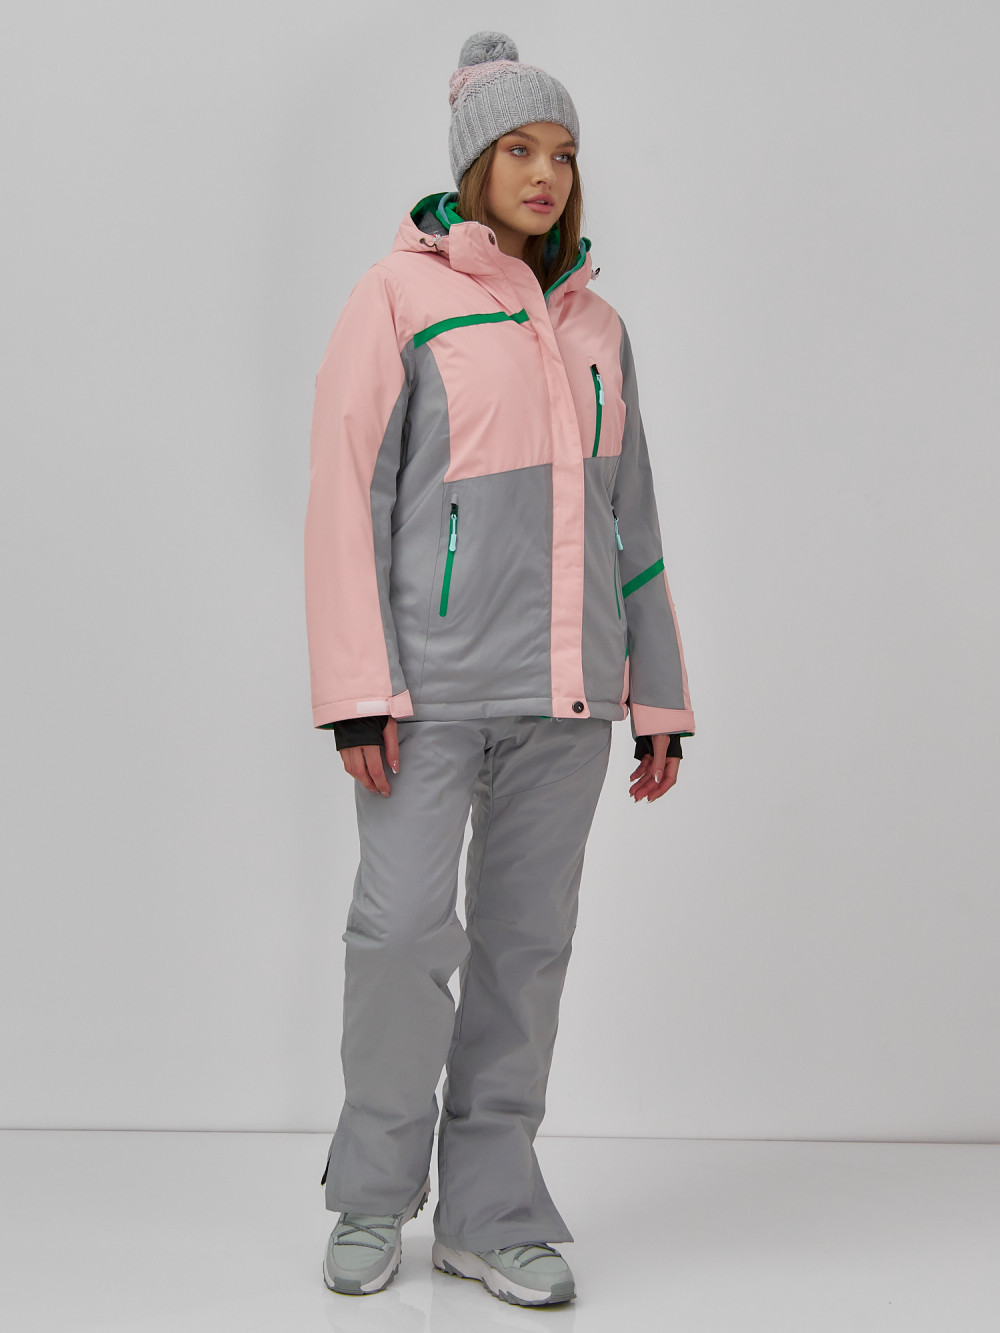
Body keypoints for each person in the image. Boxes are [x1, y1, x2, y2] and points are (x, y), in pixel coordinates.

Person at [303, 29, 695, 1307]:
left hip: (570, 695)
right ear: (473, 162)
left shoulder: (597, 326)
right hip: (426, 691)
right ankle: (371, 1196)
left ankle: (490, 1209)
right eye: (520, 149)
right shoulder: (397, 296)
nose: (545, 174)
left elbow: (632, 518)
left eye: (563, 154)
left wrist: (657, 694)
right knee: (401, 935)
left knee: (526, 952)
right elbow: (347, 496)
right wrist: (356, 688)